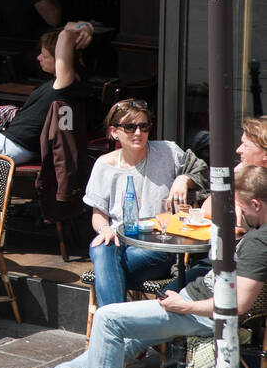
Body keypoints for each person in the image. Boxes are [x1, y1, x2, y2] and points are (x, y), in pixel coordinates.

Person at [5, 162, 267, 368]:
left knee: (108, 320)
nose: (237, 212)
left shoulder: (258, 242)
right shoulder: (258, 230)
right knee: (127, 332)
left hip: (199, 311)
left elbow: (238, 304)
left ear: (256, 204)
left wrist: (184, 306)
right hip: (197, 300)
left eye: (240, 206)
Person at [84, 98, 208, 309]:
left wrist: (184, 179)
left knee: (106, 266)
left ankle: (113, 327)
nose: (138, 133)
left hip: (159, 247)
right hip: (119, 243)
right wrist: (105, 229)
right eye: (130, 127)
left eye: (144, 126)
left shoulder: (167, 152)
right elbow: (98, 213)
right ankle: (121, 328)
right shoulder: (104, 165)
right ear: (114, 131)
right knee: (101, 247)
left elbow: (203, 170)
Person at [0, 21, 95, 163]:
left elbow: (65, 35)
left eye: (45, 55)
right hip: (20, 147)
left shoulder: (65, 85)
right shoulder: (75, 84)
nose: (39, 58)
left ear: (60, 58)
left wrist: (84, 28)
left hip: (10, 146)